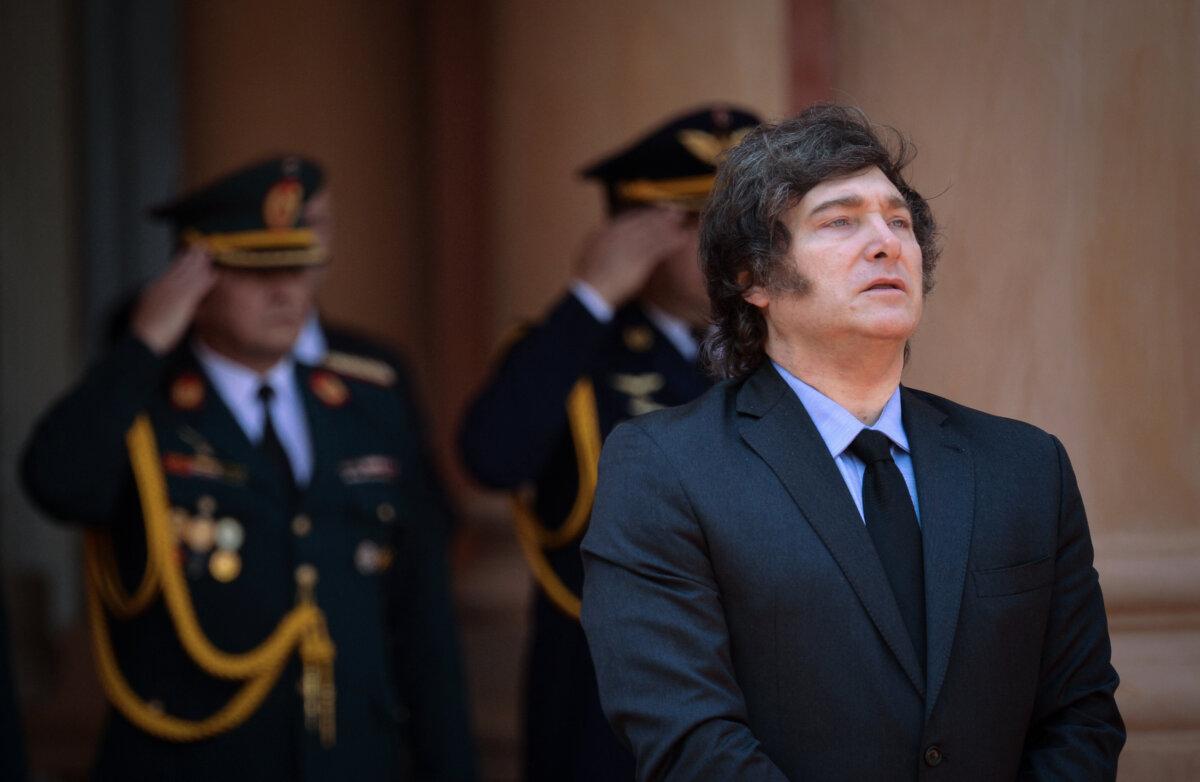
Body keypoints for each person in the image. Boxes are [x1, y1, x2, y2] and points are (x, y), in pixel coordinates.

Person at [580, 105, 1125, 780]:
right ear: (752, 277)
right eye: (840, 221)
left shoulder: (1025, 464)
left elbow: (1080, 716)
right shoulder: (667, 468)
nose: (886, 242)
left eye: (899, 221)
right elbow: (688, 737)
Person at [21, 157, 475, 781]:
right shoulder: (143, 408)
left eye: (296, 265)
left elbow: (424, 626)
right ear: (196, 280)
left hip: (349, 760)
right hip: (194, 760)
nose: (286, 291)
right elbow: (58, 483)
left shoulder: (368, 404)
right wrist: (144, 344)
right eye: (257, 269)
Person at [459, 105, 761, 780]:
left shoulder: (783, 354)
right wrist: (590, 295)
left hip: (758, 703)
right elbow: (493, 457)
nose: (738, 243)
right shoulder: (575, 352)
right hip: (610, 714)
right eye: (703, 222)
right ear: (640, 233)